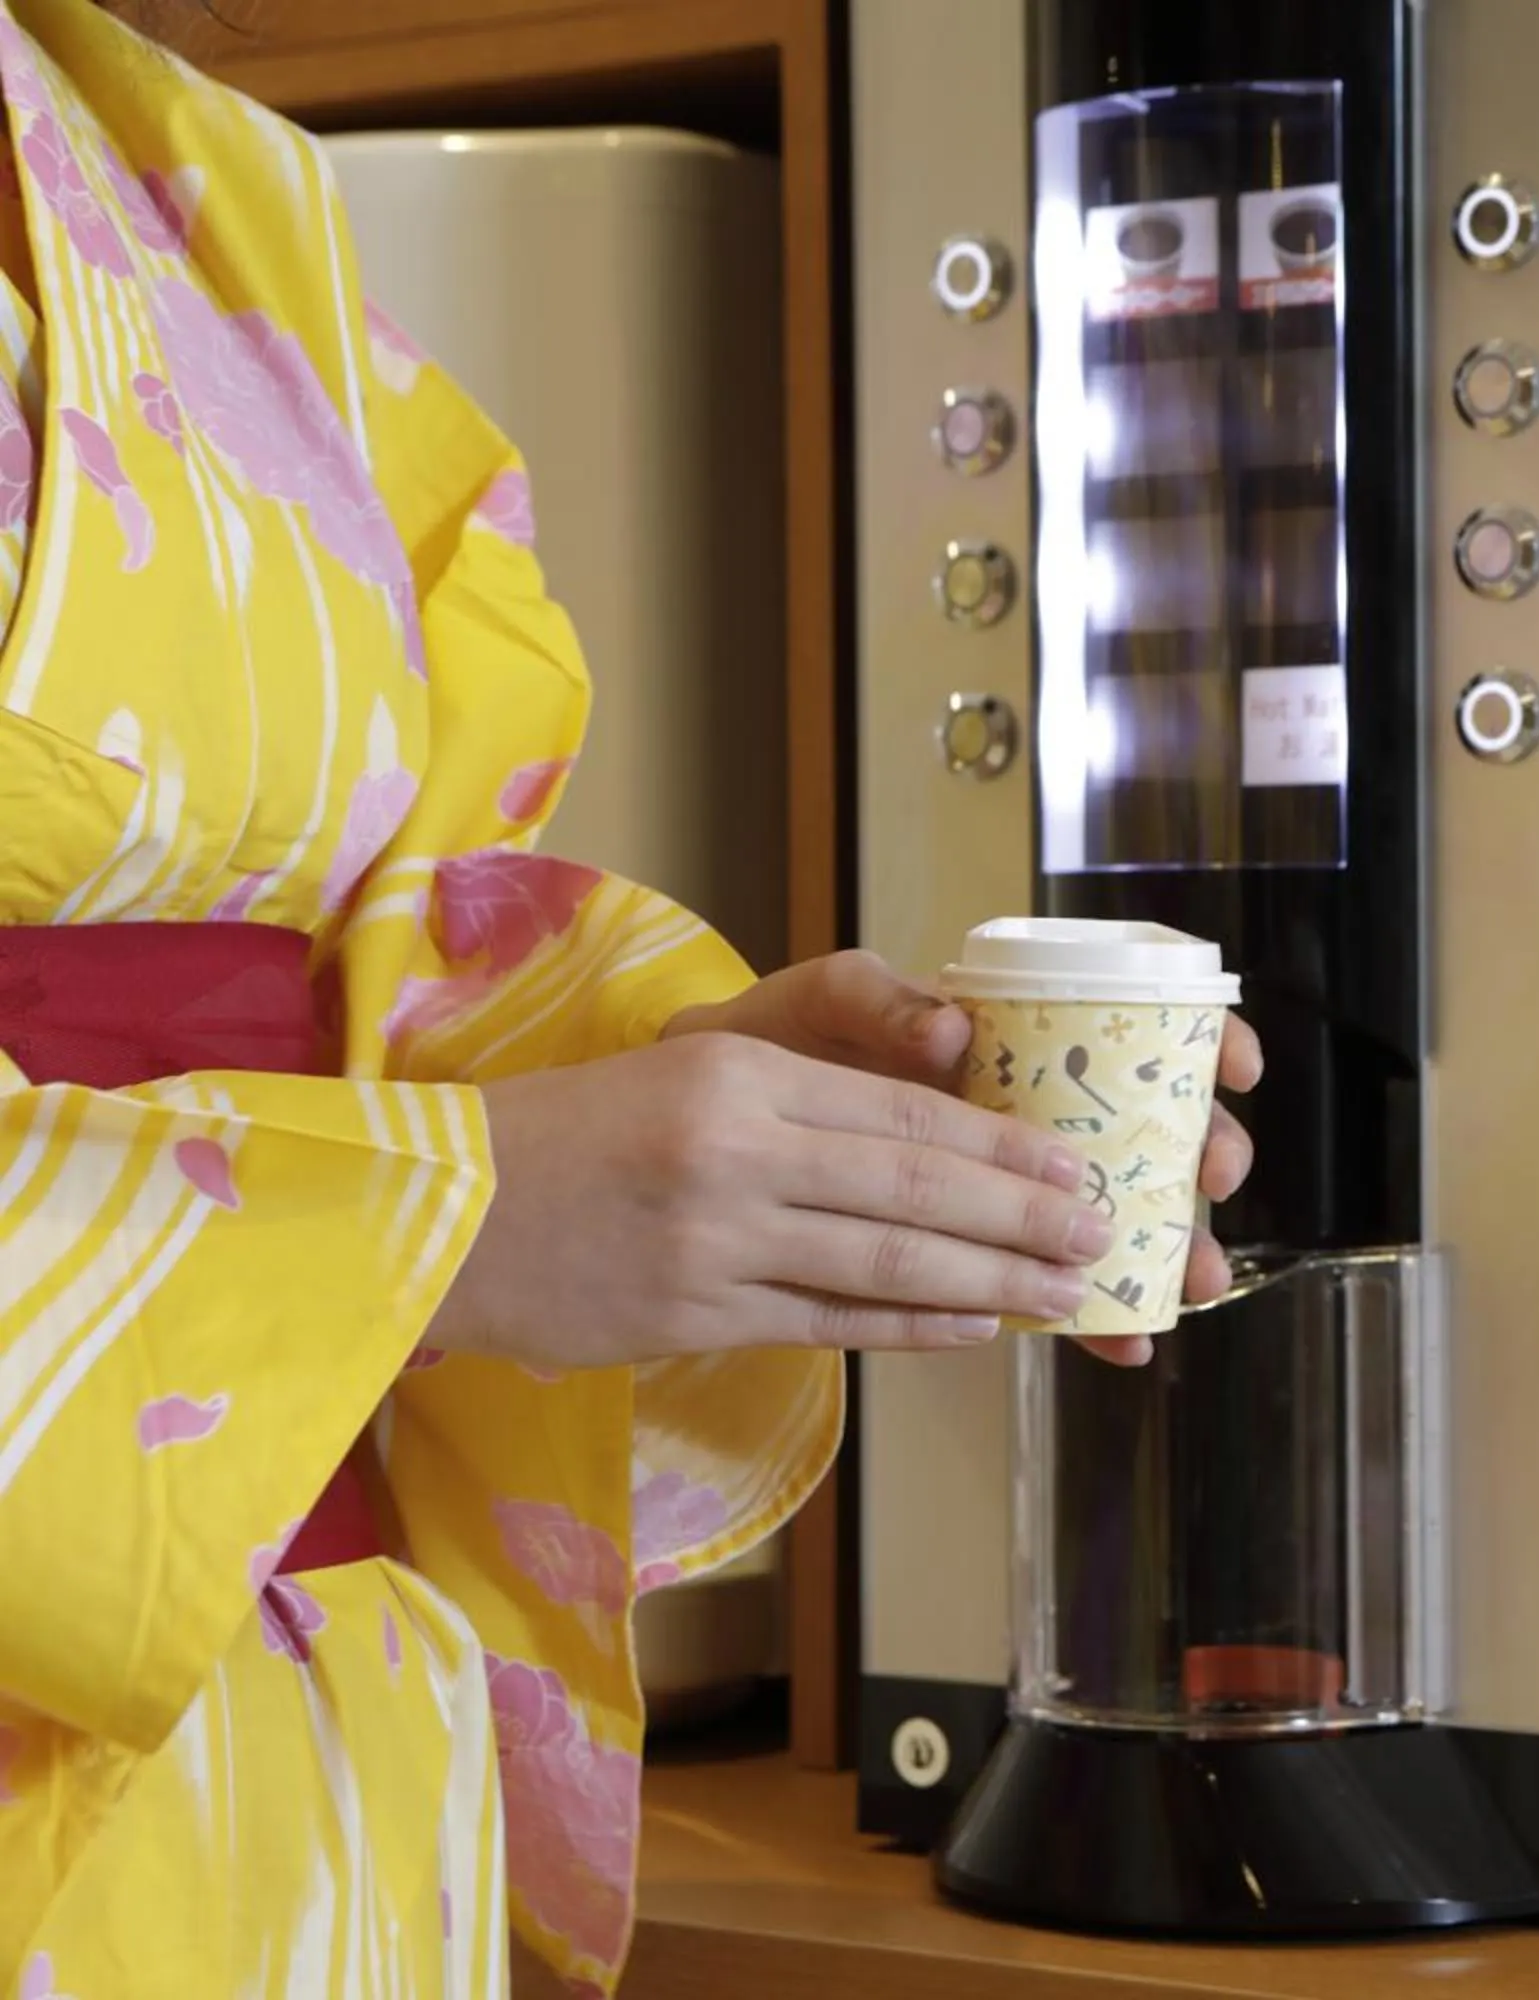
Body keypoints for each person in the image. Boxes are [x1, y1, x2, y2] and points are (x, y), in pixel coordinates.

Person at [0, 1, 1258, 1992]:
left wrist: (702, 1150)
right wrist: (432, 1221)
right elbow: (397, 1188)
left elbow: (359, 961)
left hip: (294, 1799)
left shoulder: (201, 182)